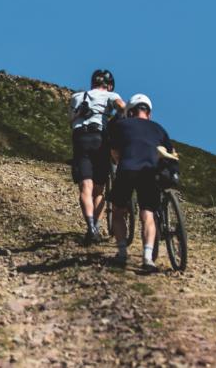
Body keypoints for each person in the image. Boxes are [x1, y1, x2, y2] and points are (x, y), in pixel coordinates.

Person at [109, 94, 175, 271]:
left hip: (127, 168)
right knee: (148, 214)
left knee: (117, 211)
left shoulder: (121, 125)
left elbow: (114, 153)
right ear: (149, 113)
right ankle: (147, 258)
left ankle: (122, 253)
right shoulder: (159, 129)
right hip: (149, 172)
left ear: (130, 112)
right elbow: (171, 153)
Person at [69, 69, 125, 244]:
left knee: (85, 187)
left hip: (80, 139)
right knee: (98, 190)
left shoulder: (76, 97)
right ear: (108, 85)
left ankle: (90, 228)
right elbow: (122, 106)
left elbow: (71, 119)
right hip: (99, 139)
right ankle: (97, 227)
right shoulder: (110, 94)